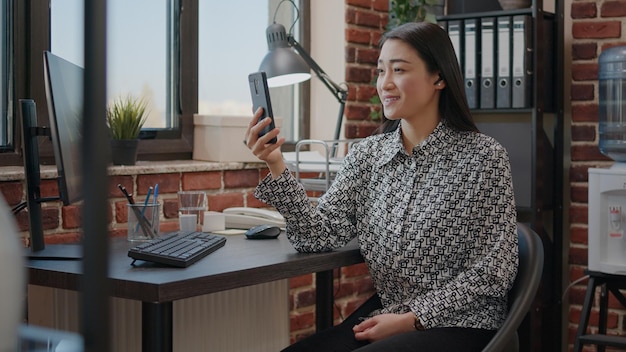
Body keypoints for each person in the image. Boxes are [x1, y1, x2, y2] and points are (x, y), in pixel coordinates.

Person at [243, 21, 518, 352]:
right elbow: (314, 237)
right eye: (381, 71)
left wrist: (411, 319)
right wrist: (276, 162)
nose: (385, 83)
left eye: (399, 70)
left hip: (464, 324)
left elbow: (495, 271)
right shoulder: (367, 156)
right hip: (390, 315)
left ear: (439, 78)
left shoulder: (483, 157)